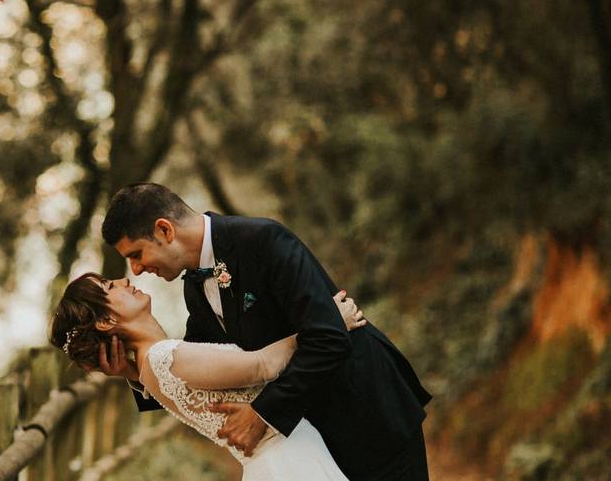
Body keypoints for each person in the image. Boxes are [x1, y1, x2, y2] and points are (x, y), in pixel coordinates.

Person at [97, 183, 432, 480]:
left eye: (137, 254)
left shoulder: (263, 241)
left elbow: (329, 338)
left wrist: (263, 415)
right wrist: (134, 372)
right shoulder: (194, 287)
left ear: (165, 230)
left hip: (368, 417)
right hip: (312, 441)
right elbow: (194, 373)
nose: (136, 269)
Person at [51, 272, 366, 480]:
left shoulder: (151, 367)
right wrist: (328, 321)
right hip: (291, 462)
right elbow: (263, 366)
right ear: (105, 321)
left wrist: (129, 373)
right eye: (109, 286)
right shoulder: (163, 358)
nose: (122, 279)